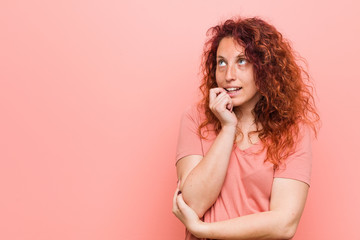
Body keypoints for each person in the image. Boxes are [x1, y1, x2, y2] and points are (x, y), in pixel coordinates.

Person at [172, 17, 320, 240]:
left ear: (265, 68)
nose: (228, 75)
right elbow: (193, 202)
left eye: (242, 61)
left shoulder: (293, 131)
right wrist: (228, 127)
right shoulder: (196, 118)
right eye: (221, 63)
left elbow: (284, 224)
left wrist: (204, 230)